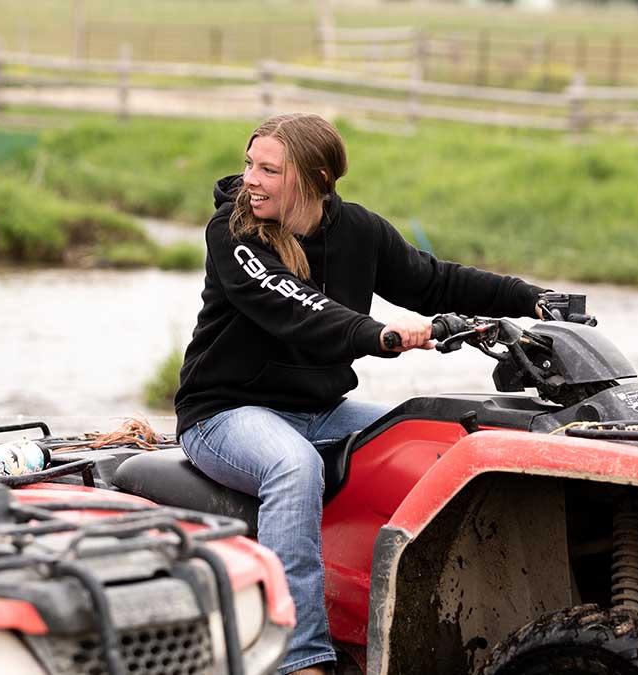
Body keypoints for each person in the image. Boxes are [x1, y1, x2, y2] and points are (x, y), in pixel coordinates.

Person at [174, 113, 546, 675]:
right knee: (293, 468)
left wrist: (532, 298)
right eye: (250, 163)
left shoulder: (359, 232)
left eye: (268, 169)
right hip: (225, 413)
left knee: (437, 443)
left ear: (315, 178)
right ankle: (298, 658)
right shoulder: (233, 233)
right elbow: (297, 306)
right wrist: (380, 335)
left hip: (321, 410)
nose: (250, 178)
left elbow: (433, 281)